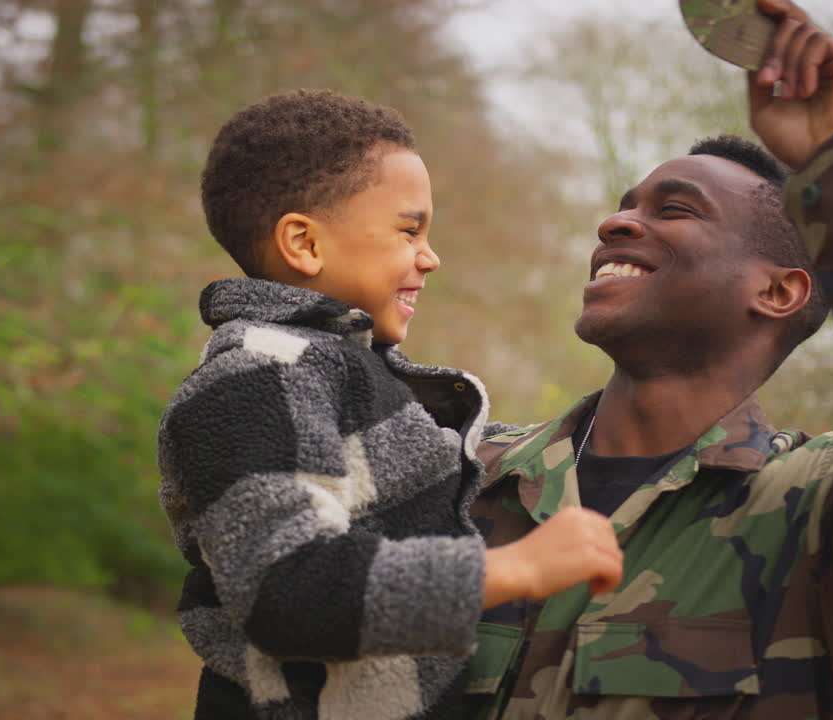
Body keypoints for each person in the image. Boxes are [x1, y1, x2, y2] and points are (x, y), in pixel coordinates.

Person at [465, 0, 833, 718]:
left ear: (779, 291)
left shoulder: (824, 518)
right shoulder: (463, 473)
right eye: (628, 205)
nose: (616, 222)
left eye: (675, 210)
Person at [156, 89, 623, 720]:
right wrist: (513, 570)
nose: (430, 257)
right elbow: (287, 590)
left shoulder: (346, 372)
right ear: (305, 244)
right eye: (410, 230)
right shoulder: (255, 378)